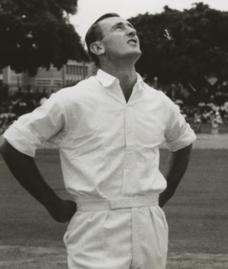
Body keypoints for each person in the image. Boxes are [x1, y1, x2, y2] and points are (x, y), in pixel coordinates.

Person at [0, 13, 196, 268]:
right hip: (96, 224)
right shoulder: (73, 99)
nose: (130, 31)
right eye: (118, 27)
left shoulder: (159, 101)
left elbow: (183, 141)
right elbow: (13, 143)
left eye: (131, 27)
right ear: (97, 47)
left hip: (150, 224)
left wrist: (166, 192)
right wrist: (52, 203)